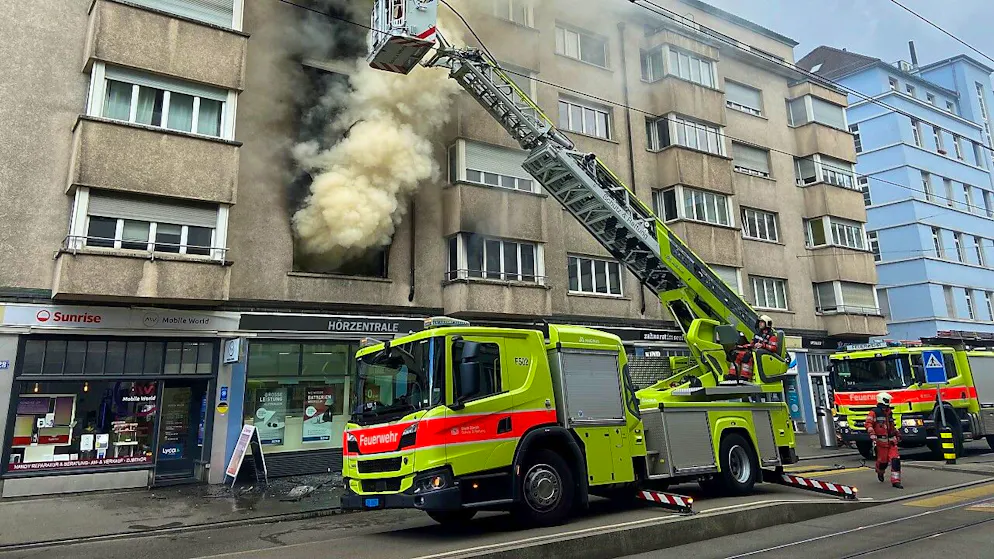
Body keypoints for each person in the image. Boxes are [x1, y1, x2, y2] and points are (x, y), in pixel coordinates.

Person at [866, 392, 903, 489]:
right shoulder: (874, 412)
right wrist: (872, 434)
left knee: (895, 460)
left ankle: (896, 481)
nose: (889, 403)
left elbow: (892, 426)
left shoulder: (889, 412)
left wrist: (897, 434)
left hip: (891, 441)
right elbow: (868, 423)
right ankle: (880, 471)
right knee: (883, 462)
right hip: (881, 442)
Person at [726, 315, 779, 382]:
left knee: (747, 356)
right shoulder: (758, 334)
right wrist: (742, 347)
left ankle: (745, 376)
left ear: (767, 324)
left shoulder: (772, 336)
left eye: (762, 322)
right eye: (759, 322)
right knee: (737, 355)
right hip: (755, 353)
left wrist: (763, 345)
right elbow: (752, 344)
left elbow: (774, 348)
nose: (760, 323)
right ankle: (732, 375)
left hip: (763, 356)